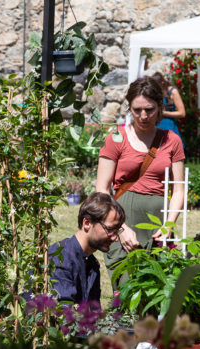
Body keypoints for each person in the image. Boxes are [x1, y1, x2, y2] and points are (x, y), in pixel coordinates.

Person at [96, 76, 185, 271]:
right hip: (122, 222)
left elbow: (179, 190)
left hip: (157, 225)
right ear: (129, 108)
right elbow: (101, 190)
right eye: (137, 110)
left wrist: (168, 226)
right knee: (126, 291)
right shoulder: (116, 138)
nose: (143, 116)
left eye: (149, 110)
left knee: (156, 291)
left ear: (159, 108)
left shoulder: (172, 140)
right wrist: (120, 227)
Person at [50, 192, 126, 303]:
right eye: (110, 229)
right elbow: (63, 314)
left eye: (117, 231)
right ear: (87, 223)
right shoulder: (60, 258)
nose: (115, 238)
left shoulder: (92, 263)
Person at [151, 72, 186, 144]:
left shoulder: (172, 91)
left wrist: (164, 113)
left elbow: (182, 113)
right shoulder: (154, 92)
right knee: (152, 154)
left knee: (171, 152)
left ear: (162, 83)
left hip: (169, 127)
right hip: (155, 128)